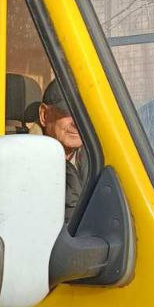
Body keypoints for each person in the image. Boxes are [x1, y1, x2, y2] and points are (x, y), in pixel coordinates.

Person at [38, 79, 88, 218]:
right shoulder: (24, 160)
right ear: (44, 115)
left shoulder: (97, 157)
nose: (78, 123)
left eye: (85, 113)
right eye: (69, 112)